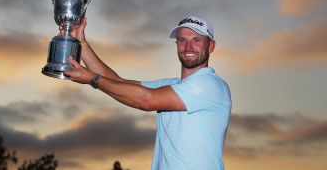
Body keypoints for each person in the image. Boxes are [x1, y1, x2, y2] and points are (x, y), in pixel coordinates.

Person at [63, 15, 232, 170]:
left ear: (211, 46)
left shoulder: (211, 85)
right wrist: (82, 44)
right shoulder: (172, 85)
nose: (188, 46)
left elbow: (146, 100)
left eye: (196, 40)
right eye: (182, 40)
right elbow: (119, 83)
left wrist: (93, 79)